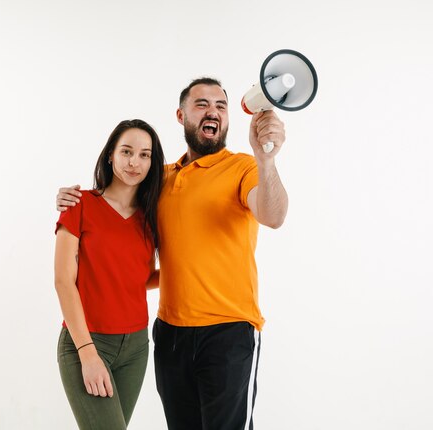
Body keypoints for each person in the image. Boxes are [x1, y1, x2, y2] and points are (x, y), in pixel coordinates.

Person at [57, 77, 288, 430]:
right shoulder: (159, 181)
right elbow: (114, 213)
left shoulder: (243, 168)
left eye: (221, 106)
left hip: (228, 332)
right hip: (171, 335)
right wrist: (72, 199)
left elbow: (273, 216)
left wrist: (266, 160)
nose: (212, 111)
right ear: (181, 116)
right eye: (201, 104)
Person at [54, 119, 165, 430]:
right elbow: (63, 282)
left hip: (136, 348)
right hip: (87, 341)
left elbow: (139, 280)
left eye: (145, 155)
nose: (135, 162)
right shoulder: (80, 205)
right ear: (110, 155)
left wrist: (186, 270)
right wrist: (87, 354)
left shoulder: (150, 218)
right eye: (127, 151)